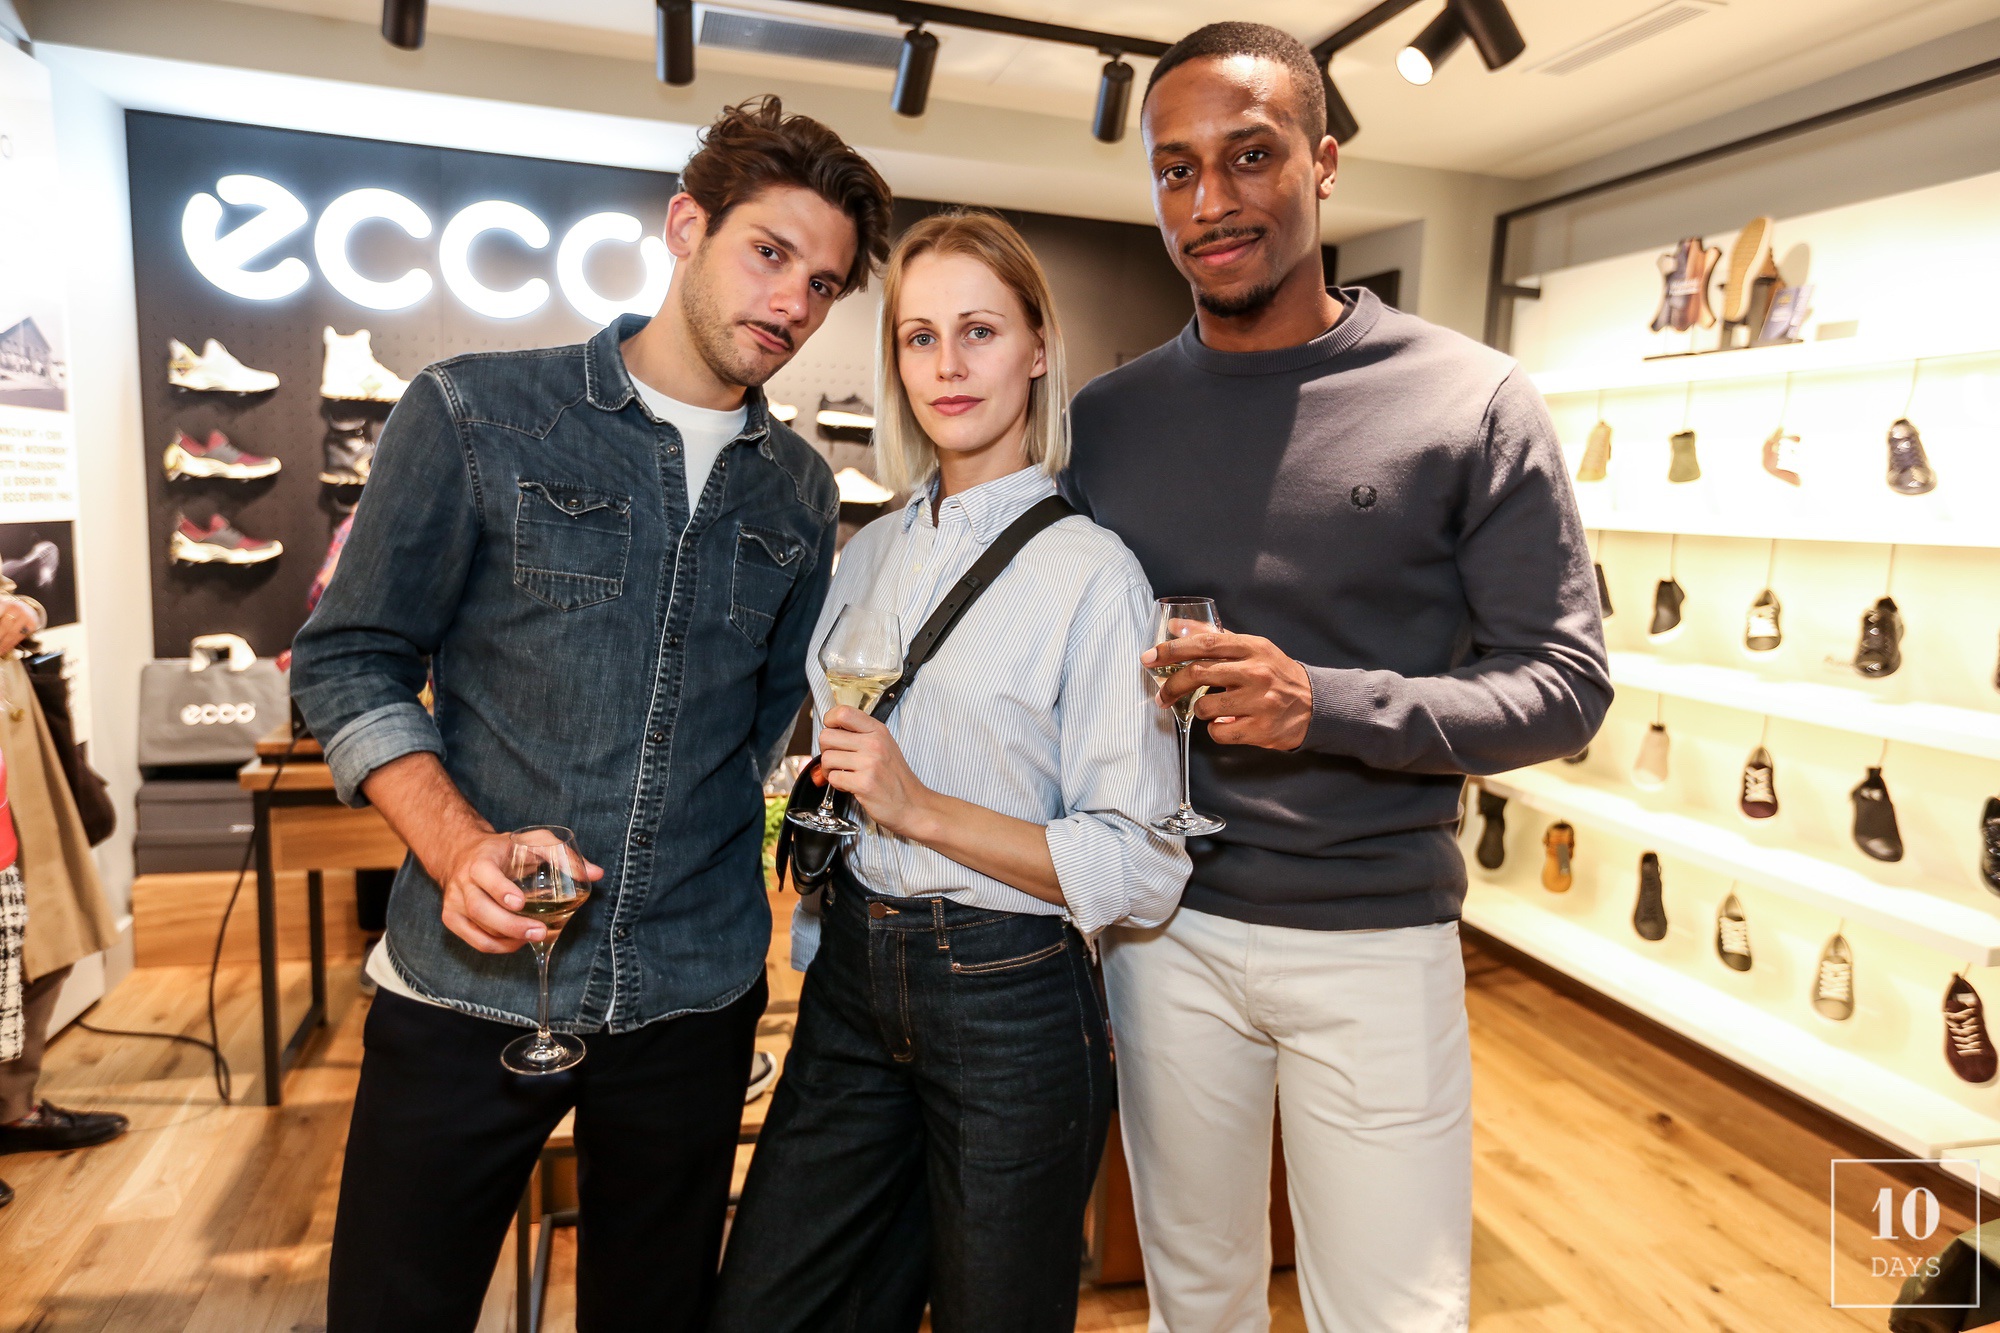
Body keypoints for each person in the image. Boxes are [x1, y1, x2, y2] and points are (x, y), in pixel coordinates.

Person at [289, 96, 891, 1332]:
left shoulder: (797, 490)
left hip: (693, 995)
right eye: (767, 252)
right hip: (467, 985)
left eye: (823, 284)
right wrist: (455, 844)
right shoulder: (476, 413)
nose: (791, 301)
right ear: (685, 227)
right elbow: (347, 658)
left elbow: (757, 730)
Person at [1062, 24, 1612, 1333]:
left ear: (1323, 162)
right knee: (1195, 1299)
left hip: (1375, 935)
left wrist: (1328, 702)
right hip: (1163, 931)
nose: (1211, 200)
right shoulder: (1108, 420)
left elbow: (1566, 681)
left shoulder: (1470, 399)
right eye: (1177, 169)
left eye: (1250, 156)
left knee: (1393, 1311)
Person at [710, 210, 1189, 1333]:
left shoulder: (1093, 575)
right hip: (851, 981)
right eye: (919, 338)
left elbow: (1140, 863)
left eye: (979, 331)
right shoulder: (868, 553)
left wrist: (918, 807)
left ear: (1037, 348)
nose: (948, 366)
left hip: (1009, 1001)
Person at [0, 581, 126, 1211]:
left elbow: (13, 593)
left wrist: (22, 611)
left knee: (47, 930)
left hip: (17, 742)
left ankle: (12, 1107)